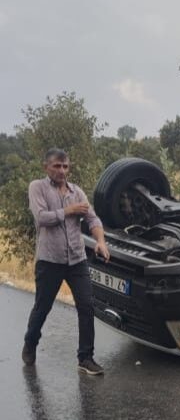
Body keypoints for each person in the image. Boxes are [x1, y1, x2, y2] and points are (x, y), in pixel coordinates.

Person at [22, 148, 110, 375]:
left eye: (65, 166)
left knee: (87, 305)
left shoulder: (77, 191)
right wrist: (68, 210)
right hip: (49, 260)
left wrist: (100, 241)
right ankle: (30, 343)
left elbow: (93, 218)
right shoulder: (37, 187)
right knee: (43, 307)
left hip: (77, 260)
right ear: (46, 167)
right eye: (57, 166)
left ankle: (86, 358)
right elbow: (42, 218)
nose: (62, 171)